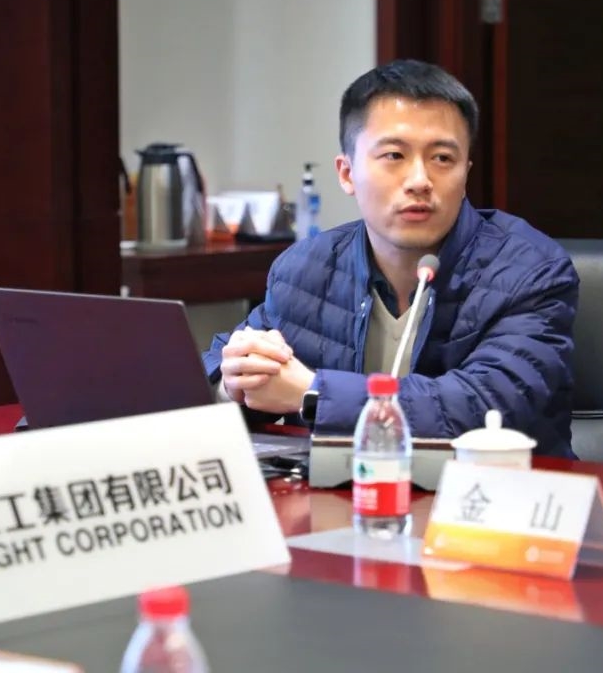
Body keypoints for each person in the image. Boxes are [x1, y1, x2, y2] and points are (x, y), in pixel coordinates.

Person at [201, 59, 578, 457]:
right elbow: (222, 358)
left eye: (442, 158)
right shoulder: (305, 268)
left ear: (466, 172)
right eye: (395, 155)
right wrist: (234, 381)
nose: (419, 181)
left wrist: (312, 393)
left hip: (491, 491)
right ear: (347, 173)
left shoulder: (529, 270)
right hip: (342, 491)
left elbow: (484, 407)